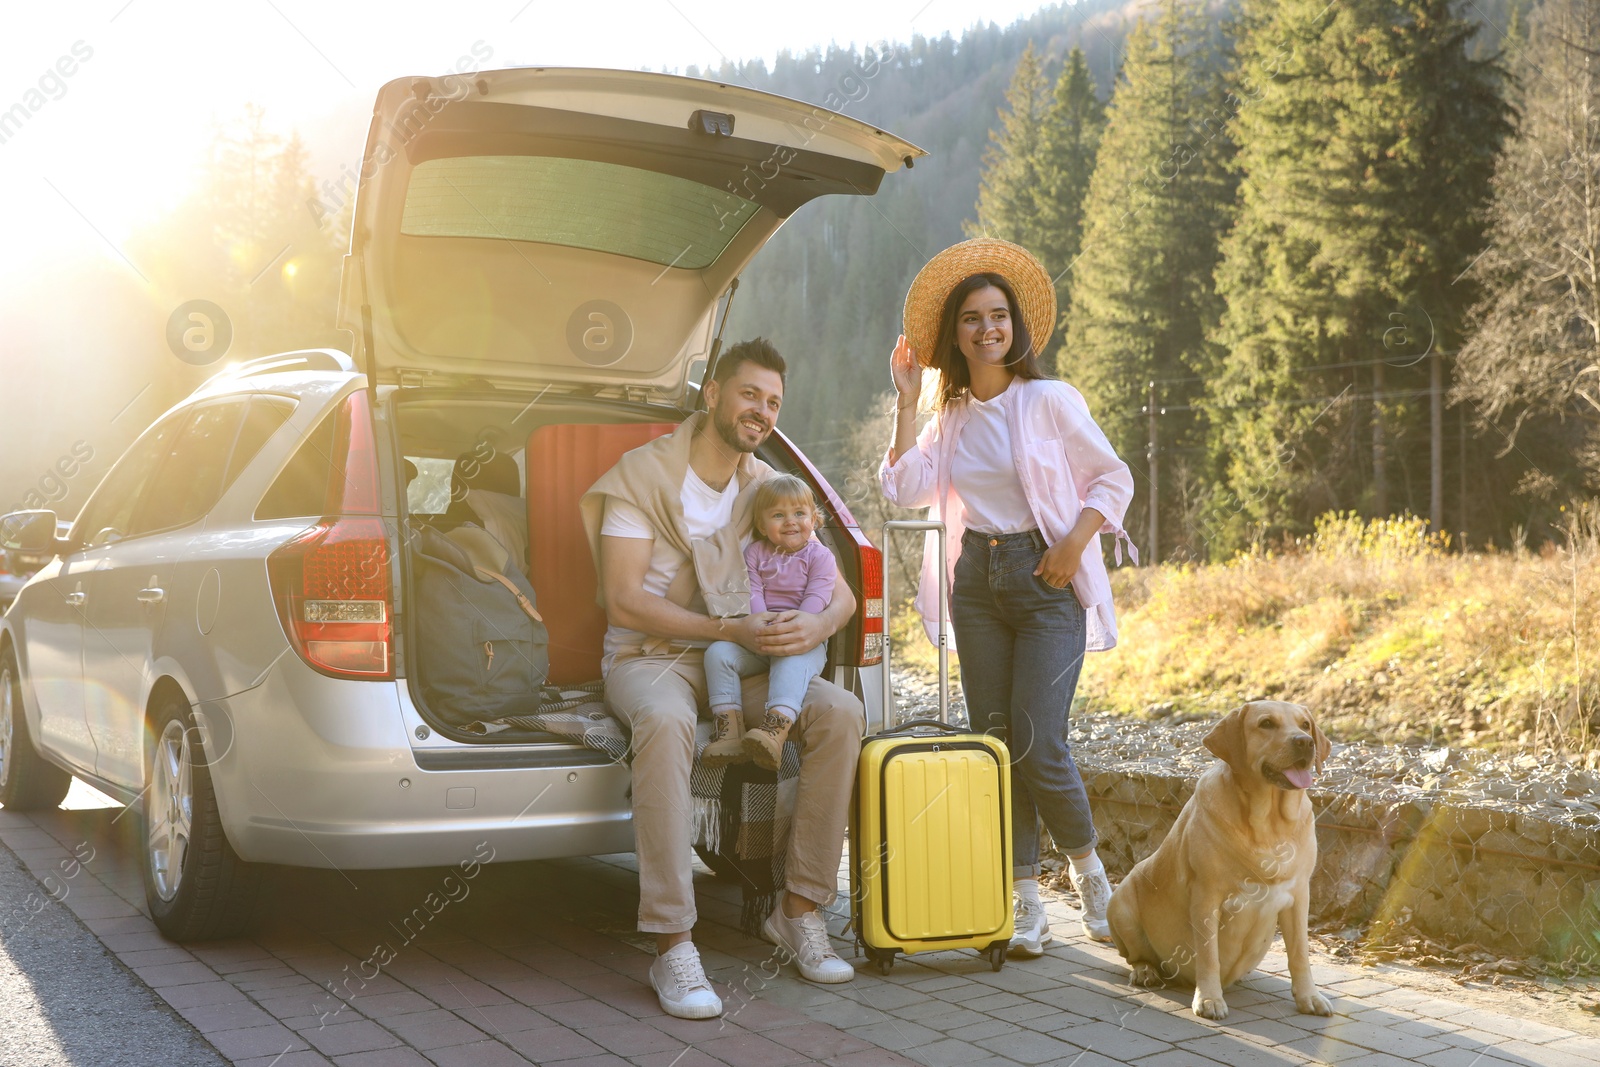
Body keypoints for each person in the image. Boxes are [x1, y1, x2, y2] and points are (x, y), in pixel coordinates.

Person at [580, 339, 862, 1020]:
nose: (761, 411)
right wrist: (729, 630)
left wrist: (815, 628)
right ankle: (672, 941)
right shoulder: (642, 477)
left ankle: (797, 909)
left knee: (842, 711)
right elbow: (622, 599)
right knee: (668, 720)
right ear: (712, 394)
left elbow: (844, 595)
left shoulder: (763, 488)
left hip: (740, 658)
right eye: (749, 394)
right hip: (650, 657)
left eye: (773, 402)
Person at [878, 238, 1137, 957]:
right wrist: (907, 402)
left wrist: (1072, 543)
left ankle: (1093, 882)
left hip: (1046, 579)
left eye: (998, 315)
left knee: (1036, 740)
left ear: (1015, 327)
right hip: (978, 585)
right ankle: (1025, 904)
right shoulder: (951, 414)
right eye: (971, 317)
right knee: (995, 744)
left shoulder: (1048, 400)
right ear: (954, 335)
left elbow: (1113, 479)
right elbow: (904, 489)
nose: (986, 328)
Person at [700, 474, 837, 770]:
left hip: (803, 639)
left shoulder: (821, 557)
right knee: (718, 654)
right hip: (761, 637)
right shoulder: (755, 553)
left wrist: (793, 627)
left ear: (813, 520)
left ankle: (774, 732)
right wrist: (761, 624)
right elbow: (753, 591)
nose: (790, 521)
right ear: (762, 526)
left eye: (799, 513)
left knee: (790, 662)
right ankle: (729, 730)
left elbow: (817, 597)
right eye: (778, 515)